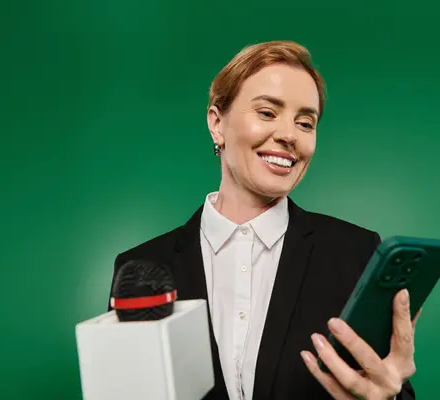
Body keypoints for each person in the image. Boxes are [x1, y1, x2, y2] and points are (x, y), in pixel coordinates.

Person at [108, 40, 418, 400]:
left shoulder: (356, 253)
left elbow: (392, 387)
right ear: (217, 123)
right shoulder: (141, 269)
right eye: (268, 113)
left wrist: (388, 397)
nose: (289, 135)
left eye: (305, 122)